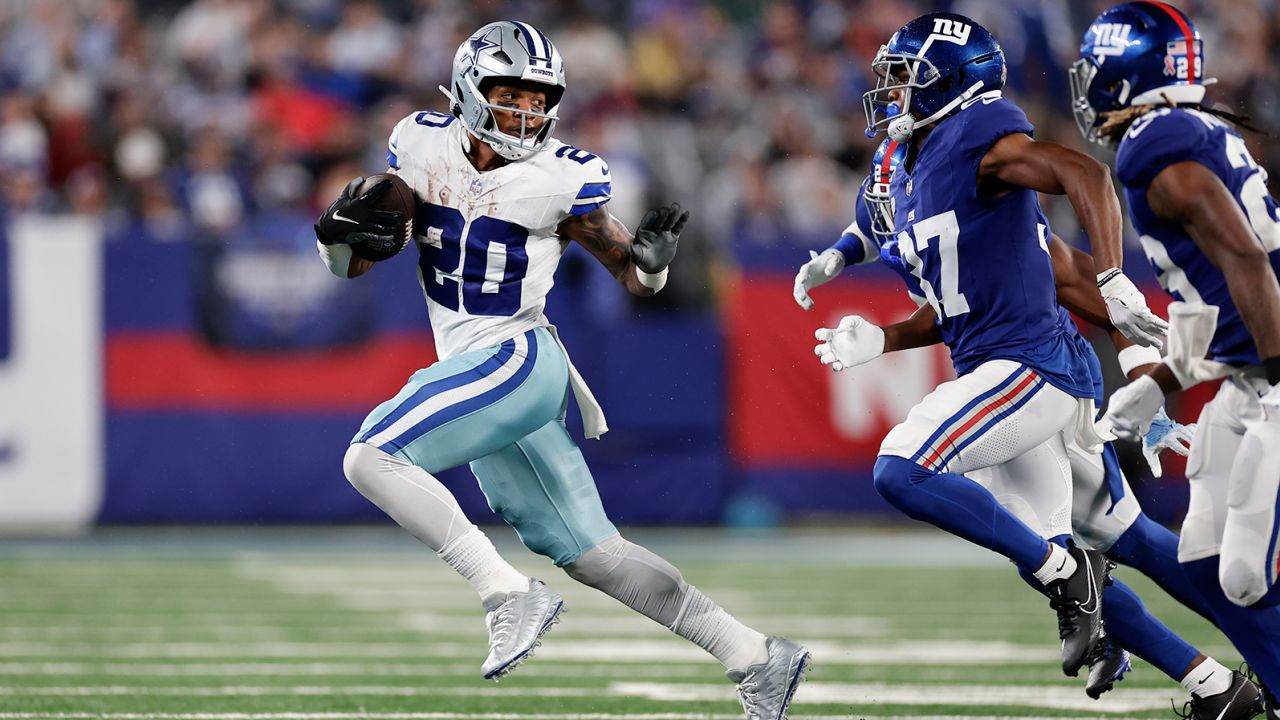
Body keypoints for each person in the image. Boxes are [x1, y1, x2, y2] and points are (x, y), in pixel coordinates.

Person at [312, 21, 808, 719]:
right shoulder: (418, 144)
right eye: (509, 93)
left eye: (538, 97)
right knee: (593, 554)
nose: (525, 111)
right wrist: (335, 237)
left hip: (519, 359)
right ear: (467, 89)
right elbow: (356, 260)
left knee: (369, 457)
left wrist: (655, 264)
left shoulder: (561, 176)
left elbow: (634, 280)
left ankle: (504, 592)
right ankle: (756, 657)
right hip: (479, 373)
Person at [797, 136, 1264, 718]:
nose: (903, 230)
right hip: (1037, 378)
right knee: (1122, 540)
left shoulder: (1000, 224)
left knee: (1052, 560)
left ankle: (1222, 650)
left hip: (1036, 378)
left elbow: (1089, 286)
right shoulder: (928, 206)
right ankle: (1221, 686)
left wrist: (1145, 382)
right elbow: (875, 231)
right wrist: (840, 260)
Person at [810, 11, 1169, 679]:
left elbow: (1076, 218)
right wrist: (860, 295)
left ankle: (1217, 629)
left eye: (906, 81)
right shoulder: (918, 165)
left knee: (1090, 544)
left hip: (1038, 365)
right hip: (1004, 363)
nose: (891, 95)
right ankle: (1207, 680)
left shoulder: (977, 140)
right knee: (1054, 545)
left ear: (951, 85)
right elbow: (906, 254)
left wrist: (1137, 349)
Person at [1073, 2, 1280, 716]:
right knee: (1202, 560)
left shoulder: (1153, 150)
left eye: (1099, 72)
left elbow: (1250, 262)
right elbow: (1214, 296)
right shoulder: (1185, 133)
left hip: (1273, 373)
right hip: (1246, 373)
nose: (1090, 86)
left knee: (1249, 574)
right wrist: (1160, 381)